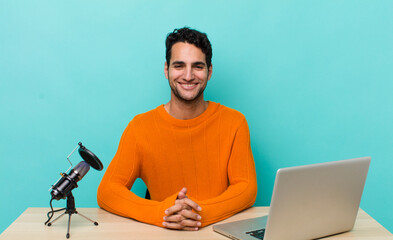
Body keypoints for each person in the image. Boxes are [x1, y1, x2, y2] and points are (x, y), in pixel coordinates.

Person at [97, 27, 257, 231]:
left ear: (210, 71)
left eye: (198, 66)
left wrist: (201, 213)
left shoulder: (234, 122)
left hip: (218, 233)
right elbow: (107, 191)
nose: (188, 76)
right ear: (166, 70)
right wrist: (160, 213)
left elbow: (246, 188)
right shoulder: (140, 127)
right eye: (179, 66)